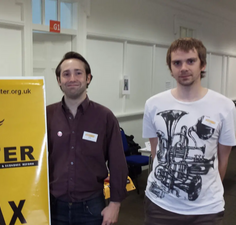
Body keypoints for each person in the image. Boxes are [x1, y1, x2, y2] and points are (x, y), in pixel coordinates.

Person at [143, 37, 236, 225]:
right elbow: (158, 152)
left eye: (191, 61)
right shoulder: (153, 104)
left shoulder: (224, 106)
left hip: (206, 208)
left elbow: (223, 159)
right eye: (177, 63)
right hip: (160, 205)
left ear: (202, 64)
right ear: (171, 68)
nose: (183, 68)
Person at [47, 51, 128, 225]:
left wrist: (115, 204)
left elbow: (117, 163)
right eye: (66, 74)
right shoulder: (46, 115)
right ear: (59, 80)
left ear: (88, 78)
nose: (72, 78)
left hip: (91, 207)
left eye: (78, 73)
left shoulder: (105, 117)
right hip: (53, 207)